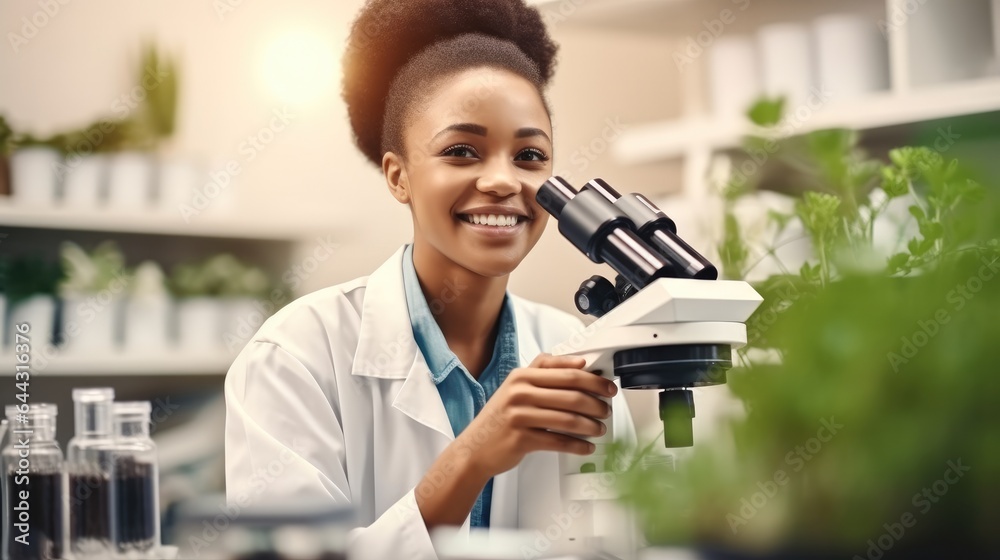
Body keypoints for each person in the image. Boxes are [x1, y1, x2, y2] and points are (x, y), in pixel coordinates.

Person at [224, 1, 634, 558]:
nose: (501, 180)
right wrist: (473, 456)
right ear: (399, 176)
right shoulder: (292, 357)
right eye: (461, 151)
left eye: (530, 155)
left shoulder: (584, 358)